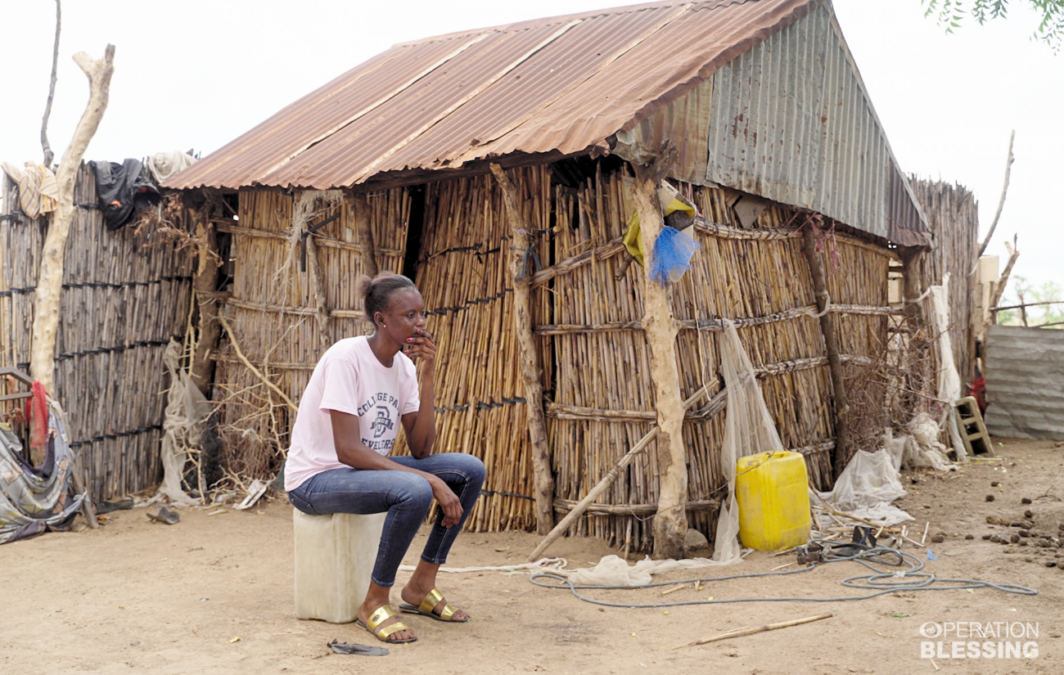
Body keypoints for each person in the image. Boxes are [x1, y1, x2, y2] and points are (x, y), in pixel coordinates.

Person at [285, 272, 485, 644]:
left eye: (422, 314)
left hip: (359, 473)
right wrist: (430, 480)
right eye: (409, 315)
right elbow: (347, 449)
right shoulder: (347, 358)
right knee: (414, 489)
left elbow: (422, 448)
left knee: (468, 470)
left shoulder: (405, 368)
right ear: (381, 320)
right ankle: (374, 602)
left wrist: (427, 374)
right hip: (316, 479)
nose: (420, 322)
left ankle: (421, 585)